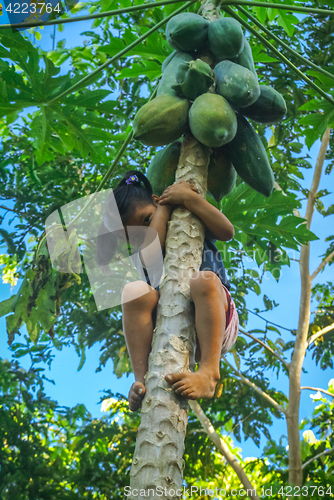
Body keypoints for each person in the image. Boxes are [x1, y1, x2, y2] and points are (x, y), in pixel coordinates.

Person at [96, 170, 239, 412]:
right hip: (172, 326)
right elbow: (153, 249)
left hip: (217, 321)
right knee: (134, 291)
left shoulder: (190, 218)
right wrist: (162, 209)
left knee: (202, 280)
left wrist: (190, 200)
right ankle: (141, 379)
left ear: (155, 199)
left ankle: (209, 373)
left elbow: (227, 231)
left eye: (145, 220)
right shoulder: (142, 255)